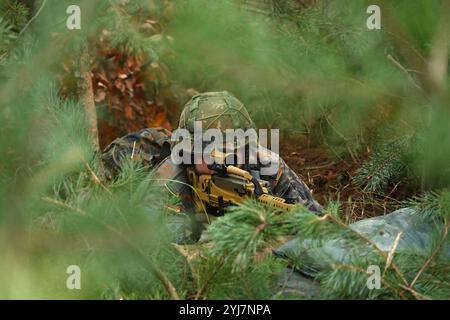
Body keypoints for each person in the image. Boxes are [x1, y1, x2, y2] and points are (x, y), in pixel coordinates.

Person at [102, 91, 322, 240]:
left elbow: (318, 226)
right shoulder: (168, 183)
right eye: (211, 153)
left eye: (231, 150)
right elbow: (158, 263)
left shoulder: (267, 166)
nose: (224, 163)